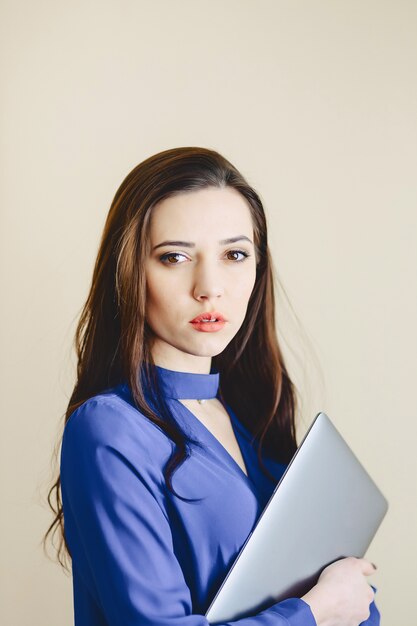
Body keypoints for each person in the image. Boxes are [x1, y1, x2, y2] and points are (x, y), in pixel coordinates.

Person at [44, 147, 380, 625]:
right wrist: (316, 611)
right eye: (175, 256)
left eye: (234, 254)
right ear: (129, 272)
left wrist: (347, 594)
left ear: (258, 269)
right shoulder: (108, 429)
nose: (209, 286)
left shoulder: (251, 415)